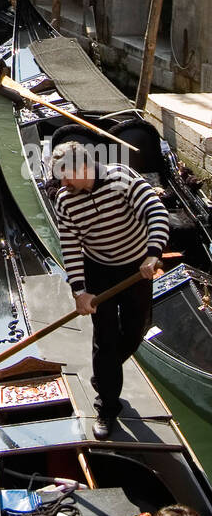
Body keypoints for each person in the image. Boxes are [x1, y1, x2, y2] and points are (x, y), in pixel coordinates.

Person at [51, 140, 169, 440]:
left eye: (65, 175)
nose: (62, 183)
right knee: (105, 338)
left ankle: (104, 374)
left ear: (83, 167)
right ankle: (106, 406)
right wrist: (80, 291)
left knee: (137, 329)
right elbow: (71, 247)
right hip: (98, 270)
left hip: (136, 267)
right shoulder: (65, 199)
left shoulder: (122, 178)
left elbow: (156, 212)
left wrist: (153, 253)